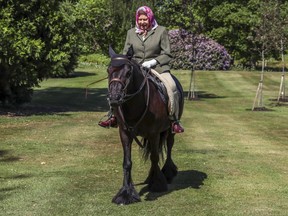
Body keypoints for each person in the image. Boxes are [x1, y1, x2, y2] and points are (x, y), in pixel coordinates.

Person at [99, 6, 184, 133]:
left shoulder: (161, 31)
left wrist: (153, 62)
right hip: (136, 68)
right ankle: (113, 116)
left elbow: (167, 54)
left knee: (171, 87)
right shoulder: (131, 33)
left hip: (158, 68)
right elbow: (126, 53)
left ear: (150, 18)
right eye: (140, 19)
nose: (143, 22)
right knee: (117, 85)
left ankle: (173, 120)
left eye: (145, 19)